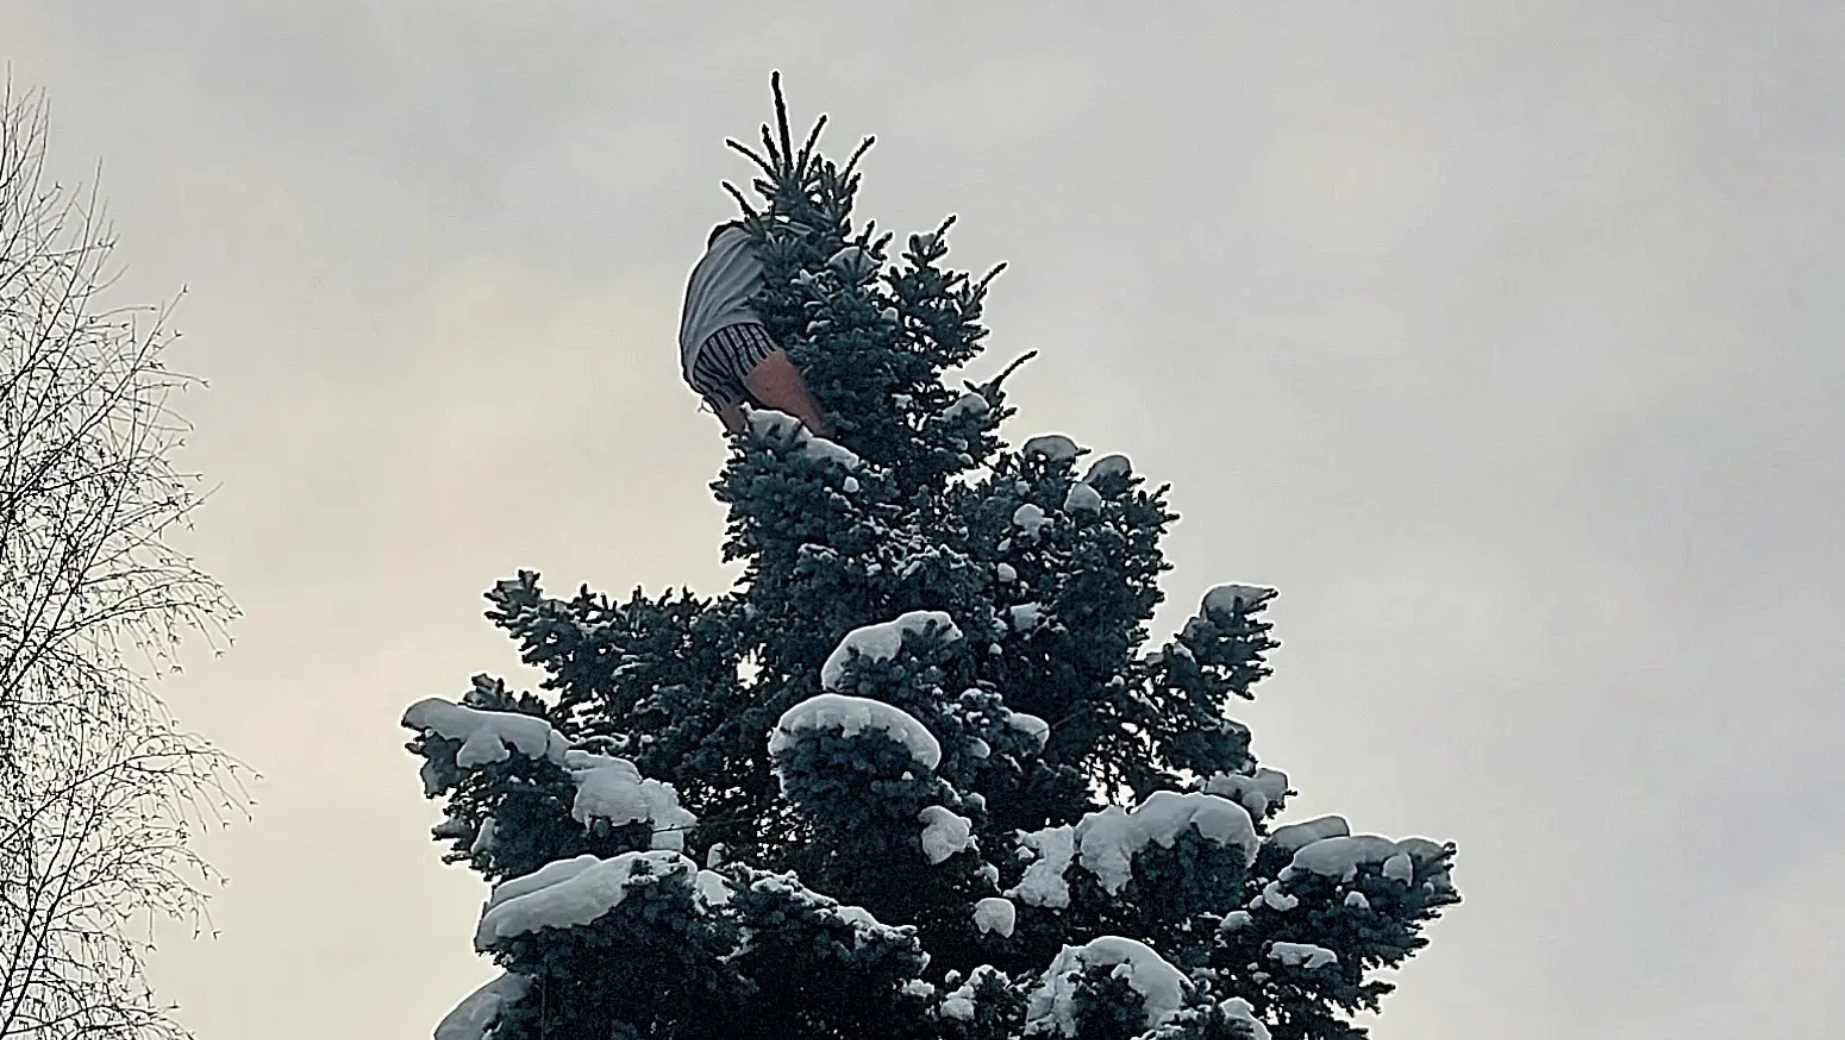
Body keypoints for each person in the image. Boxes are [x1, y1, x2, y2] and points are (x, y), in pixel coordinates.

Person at [678, 219, 832, 437]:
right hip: (734, 329)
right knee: (813, 428)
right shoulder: (752, 235)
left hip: (695, 364)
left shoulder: (707, 266)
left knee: (759, 443)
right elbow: (809, 234)